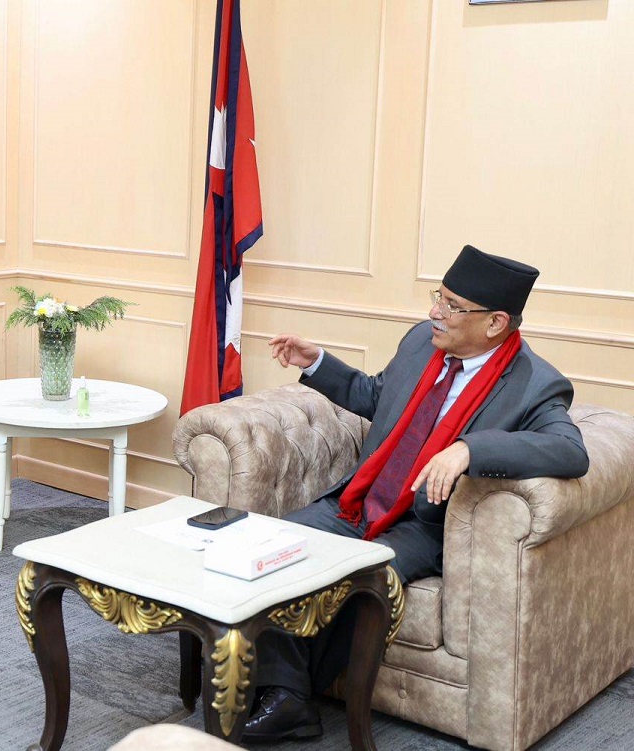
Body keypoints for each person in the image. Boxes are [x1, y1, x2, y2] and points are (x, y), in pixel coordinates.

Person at [248, 245, 589, 742]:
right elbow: (374, 395)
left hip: (421, 525)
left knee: (352, 574)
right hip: (359, 502)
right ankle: (289, 695)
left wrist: (470, 448)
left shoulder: (534, 385)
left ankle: (286, 697)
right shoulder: (421, 343)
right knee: (269, 546)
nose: (435, 311)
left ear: (495, 323)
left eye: (452, 305)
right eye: (439, 297)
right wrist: (318, 362)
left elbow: (569, 451)